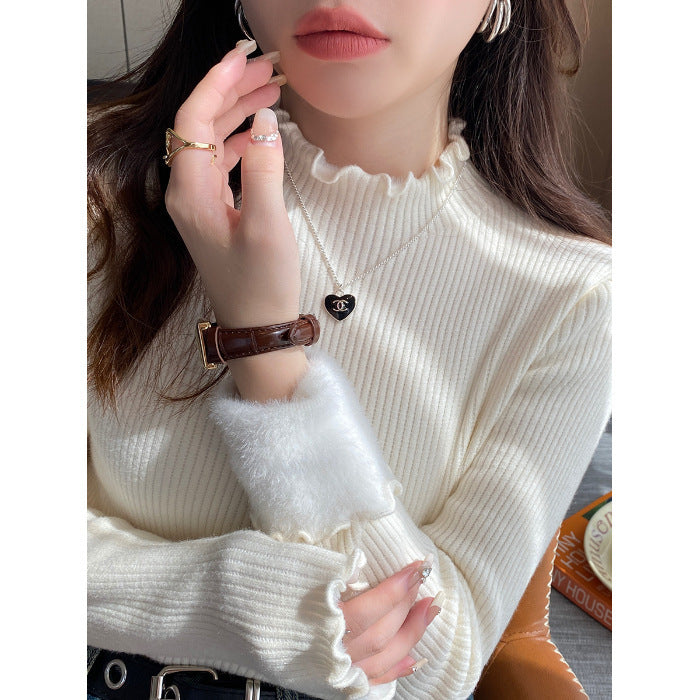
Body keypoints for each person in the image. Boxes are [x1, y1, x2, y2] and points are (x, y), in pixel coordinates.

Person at [87, 1, 612, 698]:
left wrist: (266, 345)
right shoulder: (95, 192)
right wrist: (240, 604)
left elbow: (437, 668)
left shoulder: (575, 297)